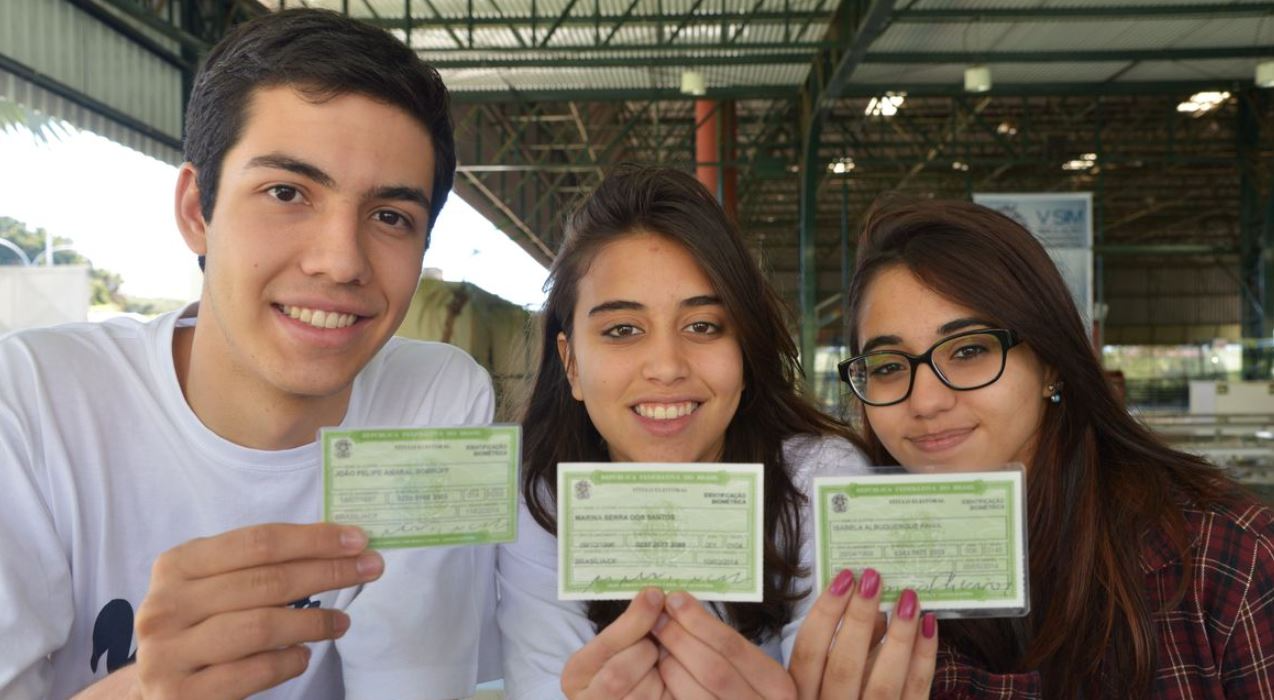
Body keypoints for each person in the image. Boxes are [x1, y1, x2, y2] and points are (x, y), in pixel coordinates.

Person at [0, 9, 498, 699]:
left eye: (390, 217)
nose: (340, 261)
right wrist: (144, 691)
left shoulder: (436, 402)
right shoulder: (30, 406)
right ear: (196, 211)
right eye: (287, 192)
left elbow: (415, 680)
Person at [496, 164, 933, 699]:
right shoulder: (539, 503)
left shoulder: (820, 477)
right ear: (572, 367)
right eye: (622, 330)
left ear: (744, 350)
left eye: (703, 326)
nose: (666, 366)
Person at [821, 198, 1274, 696]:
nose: (926, 401)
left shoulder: (1220, 555)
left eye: (971, 350)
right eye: (887, 366)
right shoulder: (854, 582)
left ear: (1051, 363)